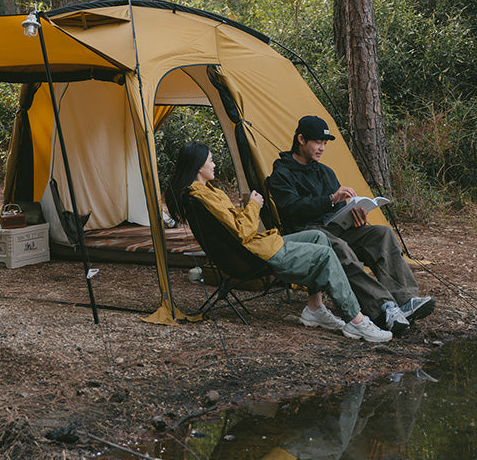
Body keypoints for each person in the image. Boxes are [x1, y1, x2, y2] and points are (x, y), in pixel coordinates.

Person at [165, 141, 393, 343]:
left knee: (319, 236)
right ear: (198, 166)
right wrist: (254, 204)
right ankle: (356, 319)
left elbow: (235, 228)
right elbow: (243, 231)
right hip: (253, 254)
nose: (214, 165)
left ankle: (314, 308)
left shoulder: (204, 192)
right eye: (211, 161)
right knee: (324, 255)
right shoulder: (202, 196)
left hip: (255, 247)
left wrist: (246, 208)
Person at [266, 115, 435, 335]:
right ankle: (382, 307)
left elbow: (337, 210)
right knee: (339, 248)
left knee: (381, 234)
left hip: (334, 229)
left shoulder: (324, 172)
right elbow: (291, 208)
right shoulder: (281, 173)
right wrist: (330, 199)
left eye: (325, 143)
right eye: (318, 142)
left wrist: (354, 216)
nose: (322, 148)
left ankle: (405, 300)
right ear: (301, 139)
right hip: (306, 234)